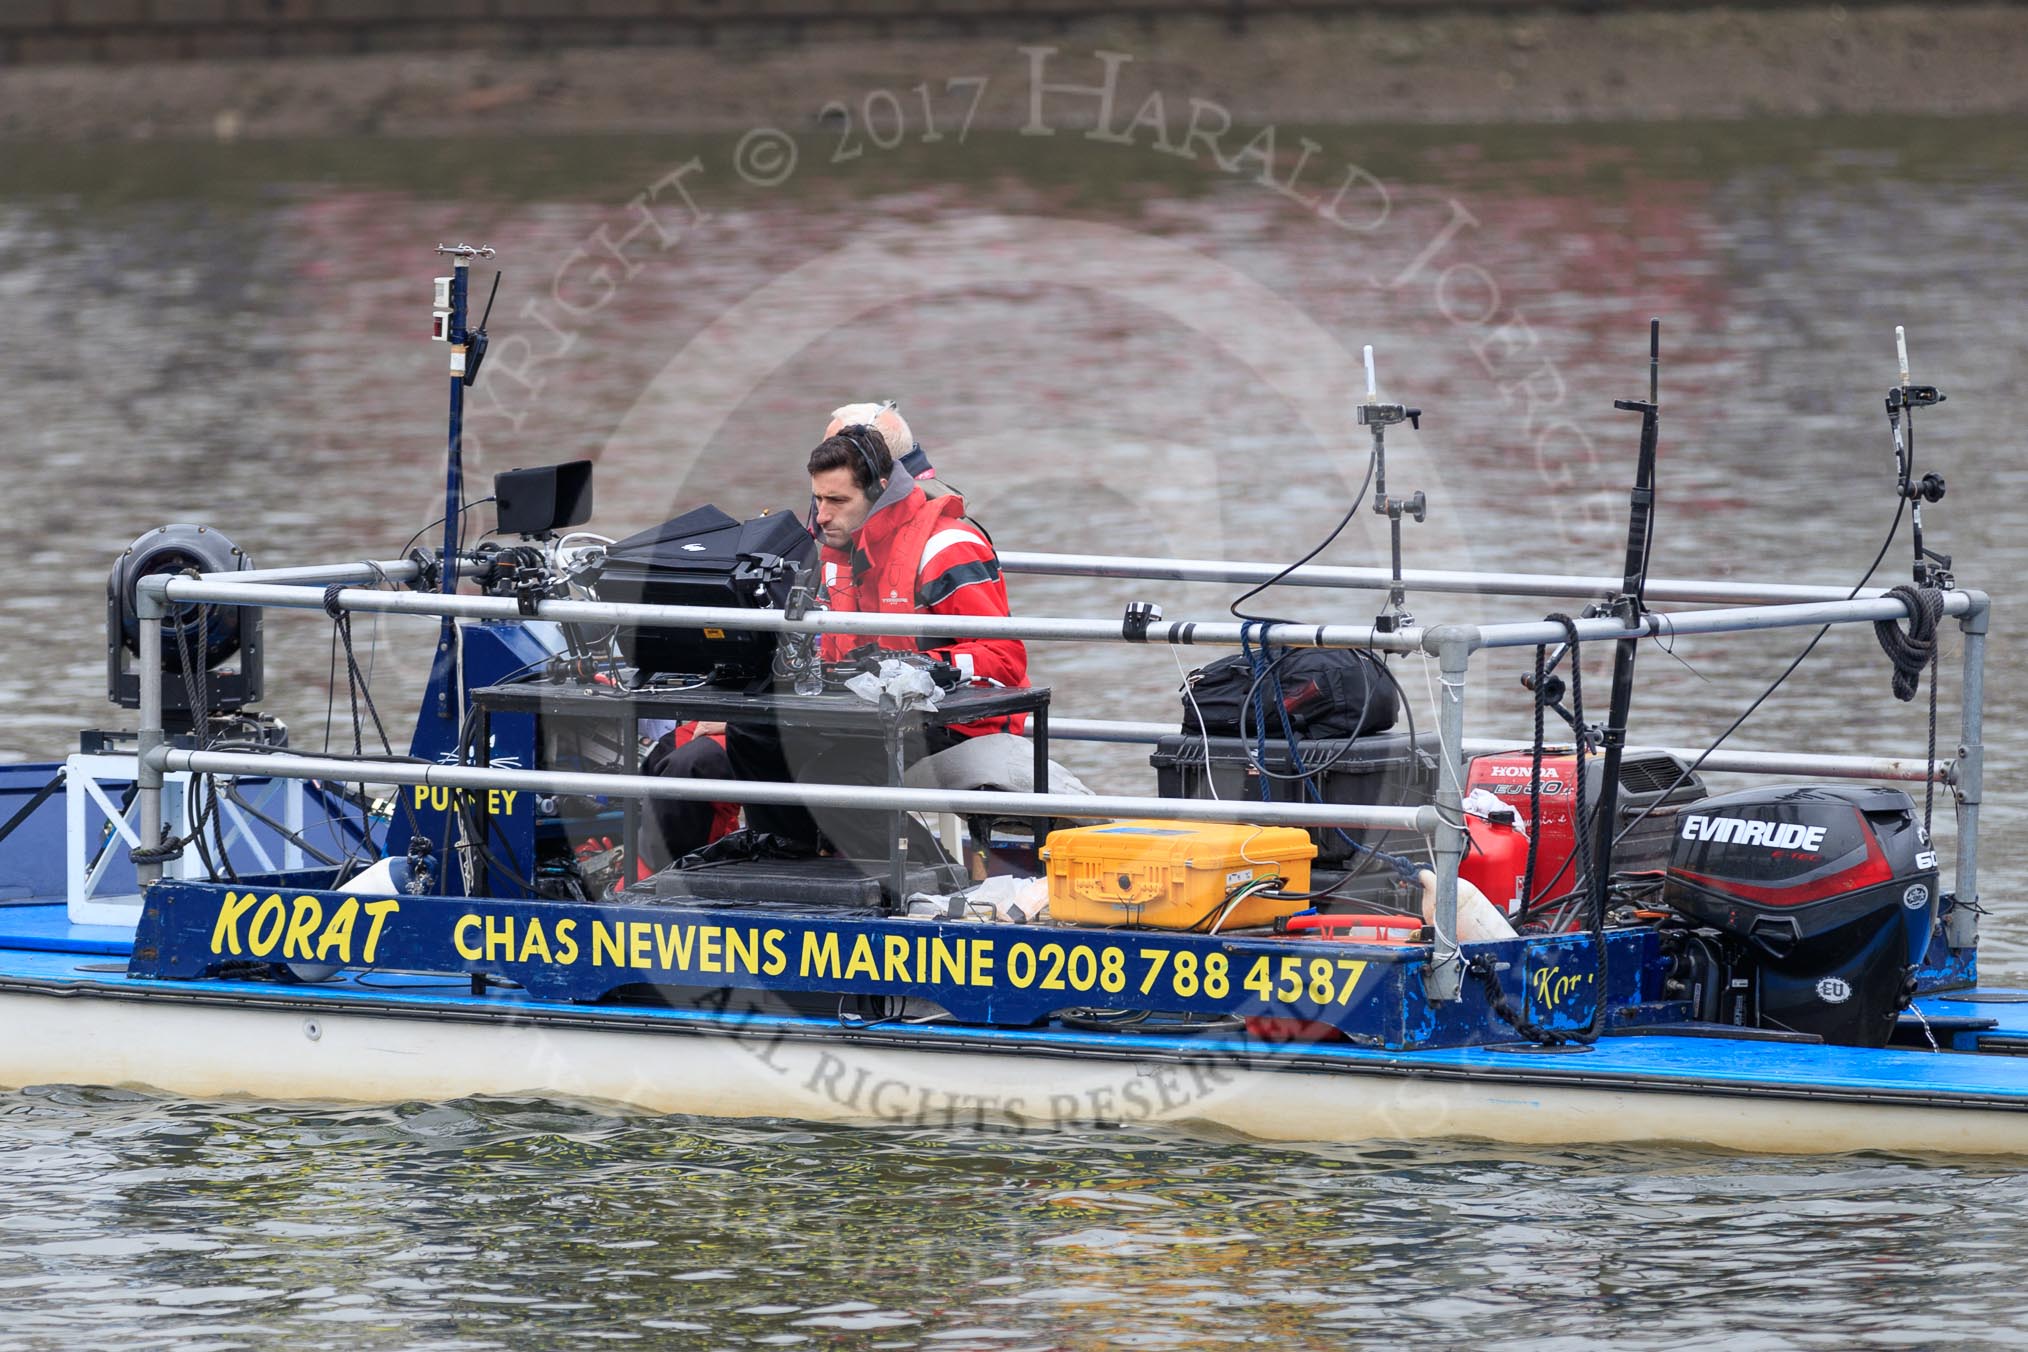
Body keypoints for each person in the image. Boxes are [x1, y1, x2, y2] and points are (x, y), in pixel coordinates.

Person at [726, 419, 1027, 862]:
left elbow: (1004, 658)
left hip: (949, 720)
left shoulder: (948, 546)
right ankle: (797, 866)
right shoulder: (833, 553)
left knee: (834, 777)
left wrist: (924, 668)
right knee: (752, 733)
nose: (822, 515)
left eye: (837, 501)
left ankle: (936, 883)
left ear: (879, 491)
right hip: (862, 715)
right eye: (818, 499)